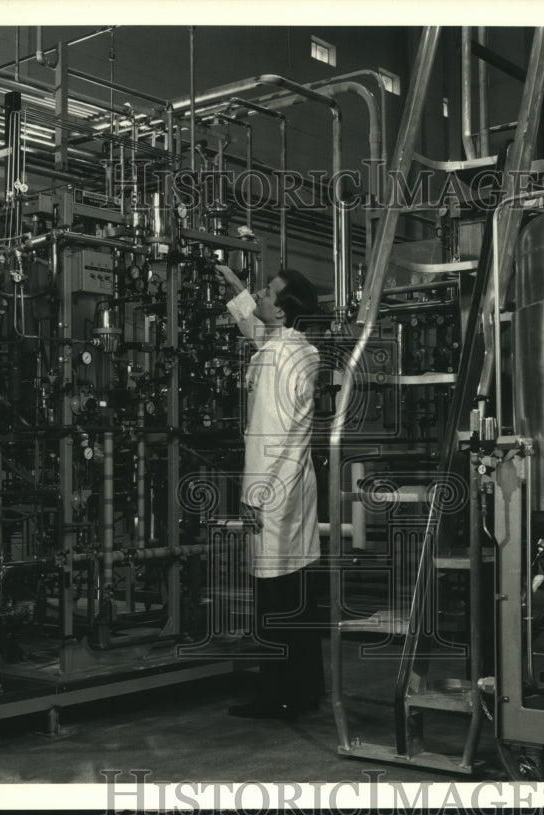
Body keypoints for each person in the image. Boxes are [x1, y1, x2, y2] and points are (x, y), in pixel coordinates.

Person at [215, 263, 324, 720]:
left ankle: (277, 696)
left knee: (275, 602)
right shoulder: (293, 349)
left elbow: (268, 436)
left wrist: (254, 496)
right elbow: (255, 330)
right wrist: (237, 288)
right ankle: (305, 690)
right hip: (292, 488)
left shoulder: (280, 358)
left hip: (273, 490)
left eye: (266, 292)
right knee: (296, 594)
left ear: (281, 311)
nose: (259, 295)